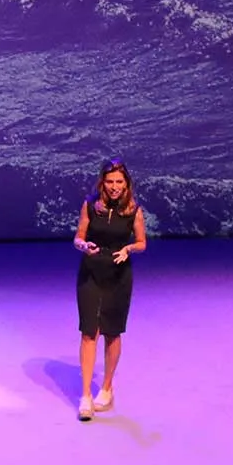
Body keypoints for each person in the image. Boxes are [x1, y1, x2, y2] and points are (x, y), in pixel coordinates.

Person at [72, 157, 147, 419]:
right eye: (110, 181)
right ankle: (85, 396)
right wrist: (83, 246)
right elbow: (78, 237)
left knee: (112, 332)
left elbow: (141, 243)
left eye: (119, 181)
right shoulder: (91, 206)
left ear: (126, 184)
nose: (114, 186)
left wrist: (128, 249)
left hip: (118, 274)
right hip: (91, 271)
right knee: (88, 331)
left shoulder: (133, 210)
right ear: (103, 182)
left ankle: (107, 387)